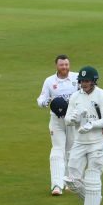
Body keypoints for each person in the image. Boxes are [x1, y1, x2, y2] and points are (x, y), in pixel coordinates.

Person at [63, 65, 103, 205]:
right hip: (79, 143)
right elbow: (67, 120)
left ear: (94, 81)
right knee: (71, 181)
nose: (84, 83)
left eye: (87, 81)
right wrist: (74, 119)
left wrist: (92, 125)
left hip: (96, 143)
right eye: (82, 80)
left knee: (92, 180)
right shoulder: (75, 97)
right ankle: (95, 198)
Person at [36, 54, 80, 195]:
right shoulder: (49, 81)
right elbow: (42, 97)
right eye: (62, 65)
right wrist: (44, 102)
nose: (64, 67)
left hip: (73, 120)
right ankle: (56, 185)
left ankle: (70, 181)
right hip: (57, 120)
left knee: (72, 150)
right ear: (57, 66)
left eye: (66, 64)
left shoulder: (76, 77)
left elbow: (86, 92)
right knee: (57, 149)